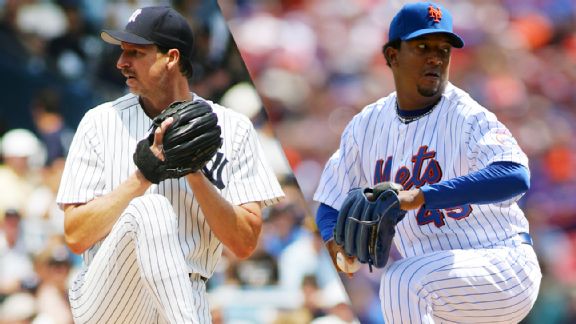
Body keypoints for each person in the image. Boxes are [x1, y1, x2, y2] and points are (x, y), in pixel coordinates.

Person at [314, 2, 541, 323]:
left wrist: (417, 197)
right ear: (393, 56)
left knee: (400, 281)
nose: (435, 56)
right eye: (422, 46)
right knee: (403, 281)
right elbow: (330, 202)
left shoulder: (466, 114)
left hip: (501, 265)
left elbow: (514, 176)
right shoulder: (366, 124)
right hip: (441, 284)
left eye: (443, 48)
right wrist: (335, 244)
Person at [56, 6, 284, 323]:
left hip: (186, 294)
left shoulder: (234, 128)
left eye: (135, 52)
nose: (121, 63)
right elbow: (75, 235)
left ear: (171, 58)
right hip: (109, 293)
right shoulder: (100, 122)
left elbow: (244, 243)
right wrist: (142, 177)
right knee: (151, 210)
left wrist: (193, 172)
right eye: (123, 52)